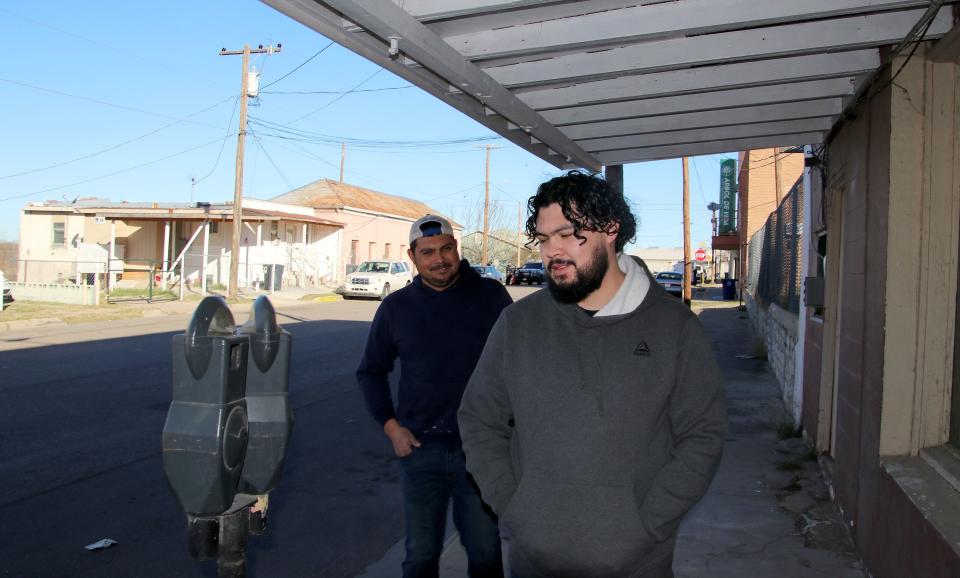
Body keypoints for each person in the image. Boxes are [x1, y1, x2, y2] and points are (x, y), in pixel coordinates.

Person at [458, 171, 726, 577]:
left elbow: (703, 436)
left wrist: (649, 523)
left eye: (567, 234)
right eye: (544, 239)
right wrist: (515, 509)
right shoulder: (518, 324)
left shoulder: (674, 328)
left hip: (638, 562)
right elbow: (479, 419)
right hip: (534, 560)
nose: (552, 251)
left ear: (611, 229)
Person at [357, 214, 512, 578]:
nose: (438, 259)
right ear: (413, 257)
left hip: (480, 449)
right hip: (419, 450)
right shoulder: (396, 308)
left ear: (457, 249)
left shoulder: (491, 297)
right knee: (420, 555)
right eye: (428, 252)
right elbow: (371, 371)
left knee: (486, 551)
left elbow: (521, 363)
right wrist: (391, 426)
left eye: (446, 249)